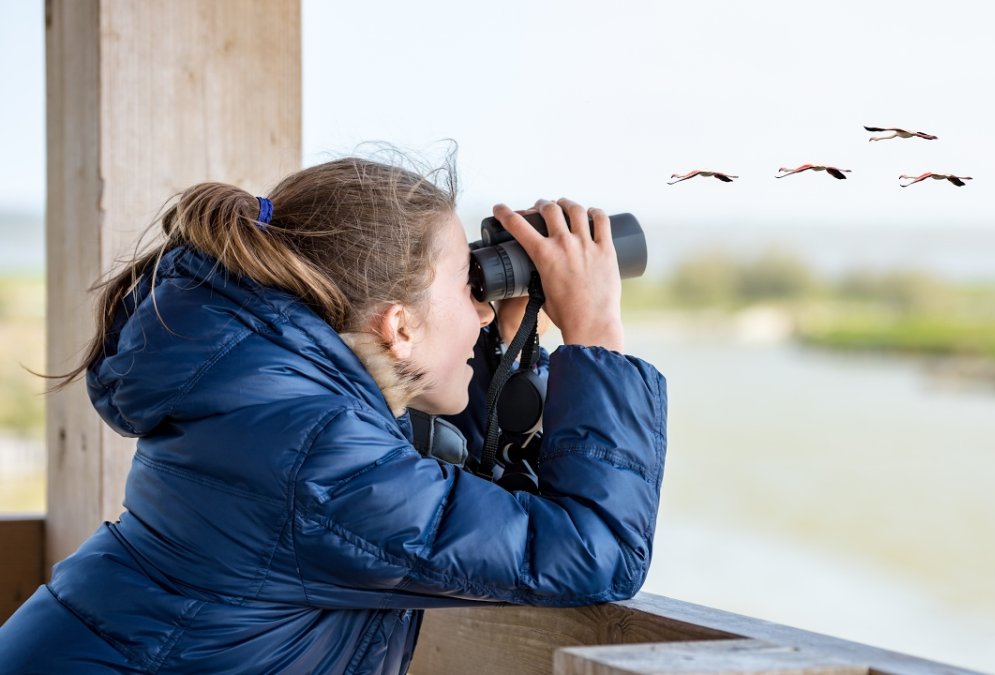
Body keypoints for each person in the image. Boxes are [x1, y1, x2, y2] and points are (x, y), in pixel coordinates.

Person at [0, 155, 668, 673]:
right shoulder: (315, 458)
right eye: (468, 285)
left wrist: (508, 345)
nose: (484, 306)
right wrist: (597, 332)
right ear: (398, 327)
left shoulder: (272, 403)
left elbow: (465, 508)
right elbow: (595, 550)